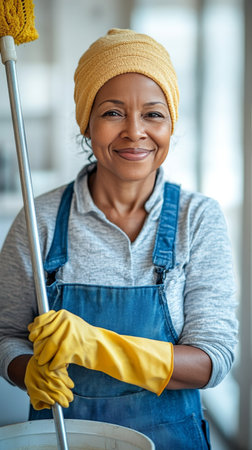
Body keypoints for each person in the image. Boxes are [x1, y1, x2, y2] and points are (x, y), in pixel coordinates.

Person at [0, 28, 238, 449]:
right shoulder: (41, 221)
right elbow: (6, 334)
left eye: (153, 113)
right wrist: (26, 369)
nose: (134, 131)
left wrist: (96, 345)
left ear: (170, 123)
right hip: (66, 437)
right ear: (86, 124)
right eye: (112, 113)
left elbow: (212, 360)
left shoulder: (197, 219)